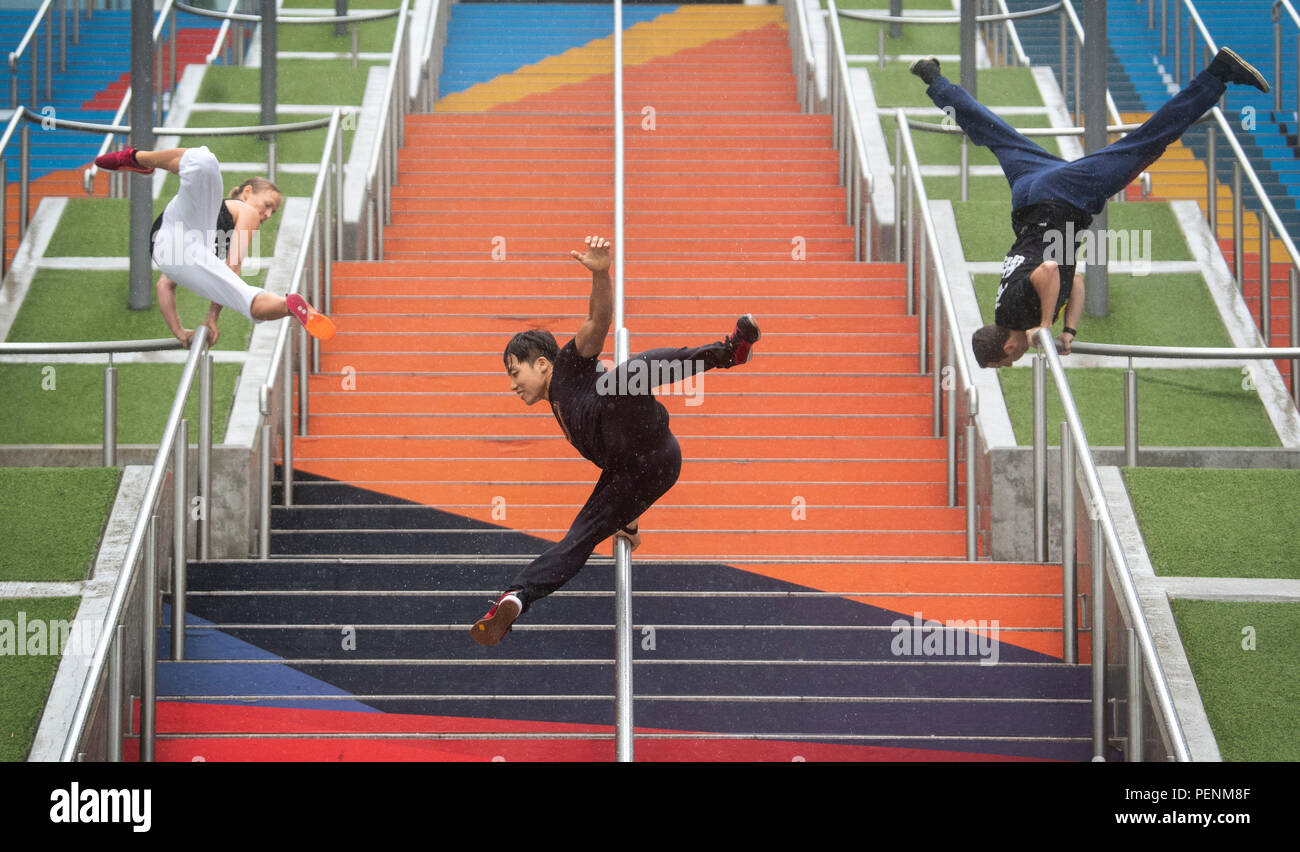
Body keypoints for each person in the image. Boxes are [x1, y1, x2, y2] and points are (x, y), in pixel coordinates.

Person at [471, 235, 761, 645]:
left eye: (515, 373)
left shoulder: (569, 365)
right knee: (579, 538)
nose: (513, 385)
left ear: (541, 363)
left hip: (638, 425)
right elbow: (622, 463)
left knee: (628, 375)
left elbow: (598, 321)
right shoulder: (559, 411)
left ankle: (727, 353)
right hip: (646, 470)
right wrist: (629, 519)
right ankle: (516, 596)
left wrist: (601, 274)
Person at [908, 48, 1270, 368]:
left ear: (1006, 345)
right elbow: (1073, 279)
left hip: (1063, 198)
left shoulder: (1019, 314)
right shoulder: (1007, 310)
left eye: (1007, 362)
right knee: (993, 132)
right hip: (1029, 194)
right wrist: (1069, 330)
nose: (1014, 362)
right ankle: (933, 79)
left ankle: (1218, 73)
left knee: (1146, 142)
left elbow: (1049, 269)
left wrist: (1047, 325)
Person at [94, 145, 335, 347]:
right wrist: (212, 316)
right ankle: (137, 158)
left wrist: (180, 333)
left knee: (249, 300)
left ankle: (289, 306)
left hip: (170, 251)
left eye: (274, 211)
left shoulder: (212, 237)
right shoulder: (245, 211)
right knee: (204, 161)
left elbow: (164, 286)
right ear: (248, 192)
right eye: (269, 204)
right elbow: (233, 267)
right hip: (179, 230)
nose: (269, 214)